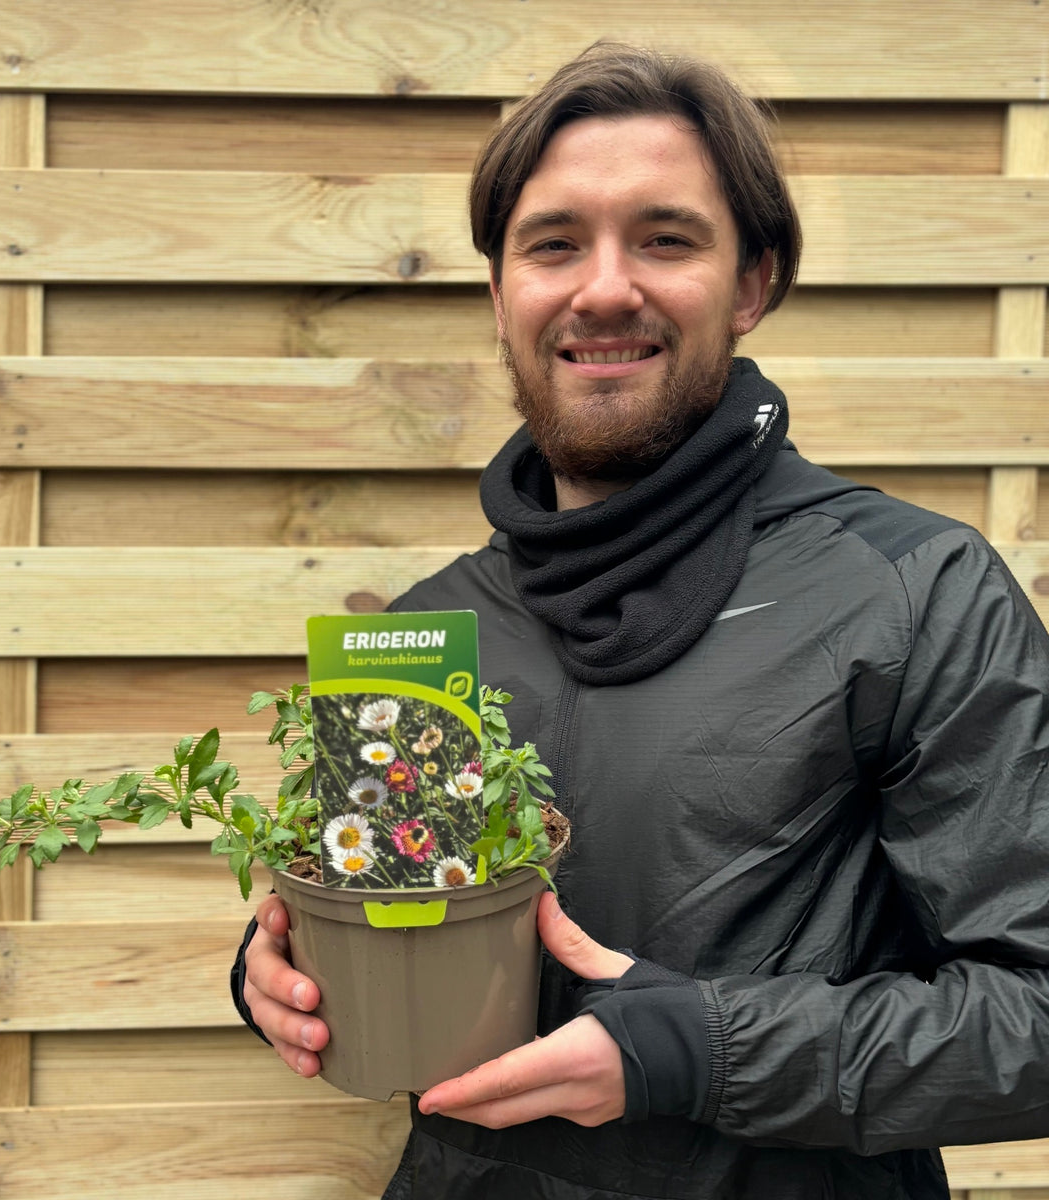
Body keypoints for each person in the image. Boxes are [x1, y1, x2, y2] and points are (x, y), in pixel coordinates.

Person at [232, 42, 1049, 1199]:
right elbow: (394, 922)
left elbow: (1037, 1014)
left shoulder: (915, 592)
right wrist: (290, 970)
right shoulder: (429, 631)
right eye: (554, 243)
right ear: (500, 290)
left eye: (665, 239)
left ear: (753, 284)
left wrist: (695, 1053)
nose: (603, 286)